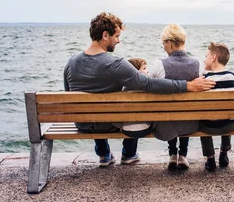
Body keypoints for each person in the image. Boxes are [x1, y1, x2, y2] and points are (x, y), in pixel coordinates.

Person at [63, 13, 214, 167]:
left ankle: (104, 155)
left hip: (81, 123)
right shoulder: (116, 64)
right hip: (108, 123)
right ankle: (128, 154)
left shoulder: (71, 62)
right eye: (116, 36)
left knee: (94, 105)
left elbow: (69, 93)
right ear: (105, 35)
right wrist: (187, 85)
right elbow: (149, 84)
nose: (118, 40)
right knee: (132, 105)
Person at [148, 23, 205, 170]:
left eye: (164, 43)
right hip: (191, 123)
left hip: (166, 124)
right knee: (185, 111)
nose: (163, 47)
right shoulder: (198, 64)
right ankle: (183, 155)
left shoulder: (159, 64)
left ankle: (173, 154)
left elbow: (149, 84)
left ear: (170, 43)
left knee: (169, 113)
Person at [199, 42, 234, 171]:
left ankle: (210, 158)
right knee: (229, 113)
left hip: (208, 127)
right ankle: (224, 153)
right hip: (229, 125)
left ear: (213, 57)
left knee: (202, 117)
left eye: (206, 56)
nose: (204, 59)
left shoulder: (204, 79)